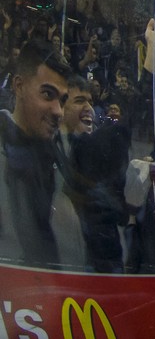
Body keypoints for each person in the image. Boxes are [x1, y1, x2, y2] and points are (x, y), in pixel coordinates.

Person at [0, 39, 89, 269]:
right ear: (18, 87)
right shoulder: (7, 153)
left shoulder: (57, 156)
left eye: (62, 100)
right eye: (47, 95)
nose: (58, 111)